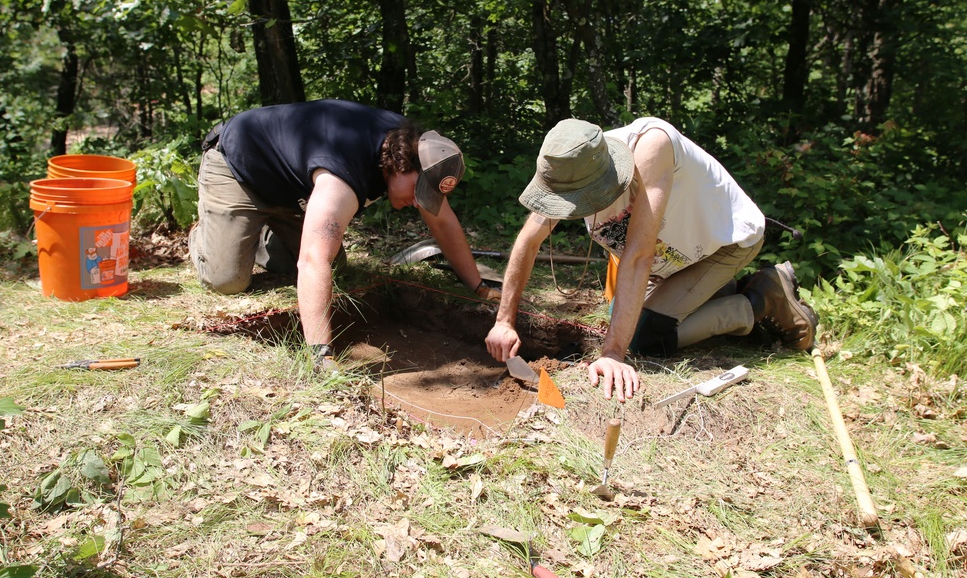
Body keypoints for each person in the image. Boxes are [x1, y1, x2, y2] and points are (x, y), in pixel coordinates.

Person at [485, 117, 817, 402]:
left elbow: (639, 255)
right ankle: (725, 293)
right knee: (622, 315)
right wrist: (503, 321)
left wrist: (613, 354)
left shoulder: (651, 147)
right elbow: (527, 243)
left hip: (724, 245)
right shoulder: (570, 168)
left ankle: (761, 300)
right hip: (675, 260)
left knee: (645, 335)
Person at [189, 99, 499, 366]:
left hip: (294, 190)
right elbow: (313, 260)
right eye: (419, 192)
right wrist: (321, 355)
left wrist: (478, 287)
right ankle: (207, 234)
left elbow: (443, 223)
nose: (419, 203)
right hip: (239, 169)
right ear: (400, 164)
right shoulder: (343, 173)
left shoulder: (421, 153)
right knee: (227, 280)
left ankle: (257, 233)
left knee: (336, 268)